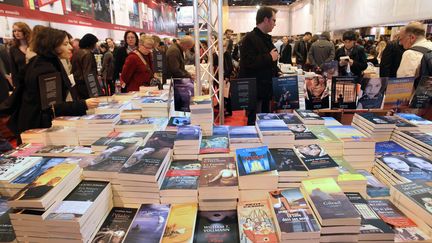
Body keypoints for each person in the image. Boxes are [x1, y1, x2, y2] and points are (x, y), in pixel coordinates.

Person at [8, 28, 99, 137]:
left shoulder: (42, 63)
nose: (70, 47)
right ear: (52, 46)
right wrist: (83, 104)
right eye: (65, 44)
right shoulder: (46, 69)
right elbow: (51, 107)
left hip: (32, 122)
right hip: (38, 128)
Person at [238, 6, 280, 125]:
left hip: (265, 89)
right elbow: (248, 62)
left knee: (264, 121)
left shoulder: (265, 38)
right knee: (255, 122)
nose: (275, 24)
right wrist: (269, 57)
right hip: (256, 91)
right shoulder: (250, 38)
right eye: (274, 20)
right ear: (266, 20)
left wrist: (276, 70)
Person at [71, 33, 99, 99]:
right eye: (94, 43)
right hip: (85, 85)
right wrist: (94, 90)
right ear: (90, 43)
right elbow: (88, 72)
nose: (95, 45)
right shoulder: (88, 54)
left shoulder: (76, 53)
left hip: (77, 83)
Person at [9, 22, 31, 88]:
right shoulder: (13, 49)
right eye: (14, 31)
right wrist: (15, 85)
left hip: (35, 78)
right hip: (22, 82)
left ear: (25, 31)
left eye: (19, 30)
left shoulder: (34, 46)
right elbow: (13, 68)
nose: (16, 33)